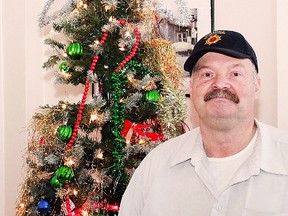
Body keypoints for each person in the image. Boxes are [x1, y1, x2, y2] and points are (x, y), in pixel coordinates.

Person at [119, 30, 288, 215]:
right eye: (207, 74)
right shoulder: (156, 166)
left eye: (235, 73)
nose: (220, 83)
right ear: (191, 87)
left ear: (257, 86)